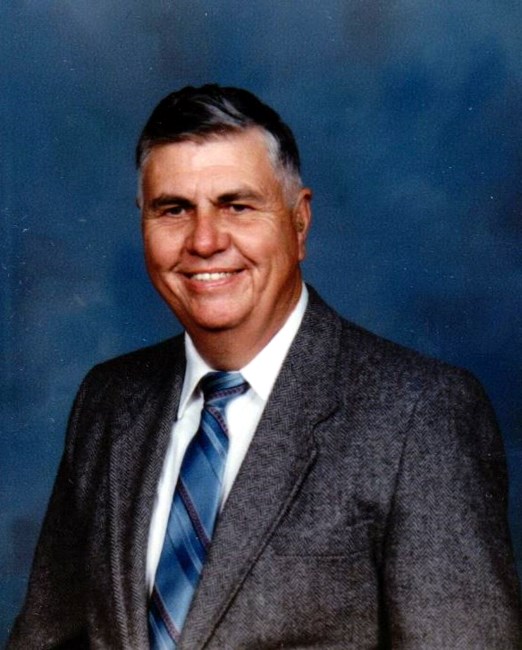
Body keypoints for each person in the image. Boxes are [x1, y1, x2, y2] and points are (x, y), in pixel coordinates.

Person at [8, 85, 522, 649]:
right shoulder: (108, 400)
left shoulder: (420, 415)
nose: (204, 241)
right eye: (174, 209)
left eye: (237, 206)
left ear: (299, 222)